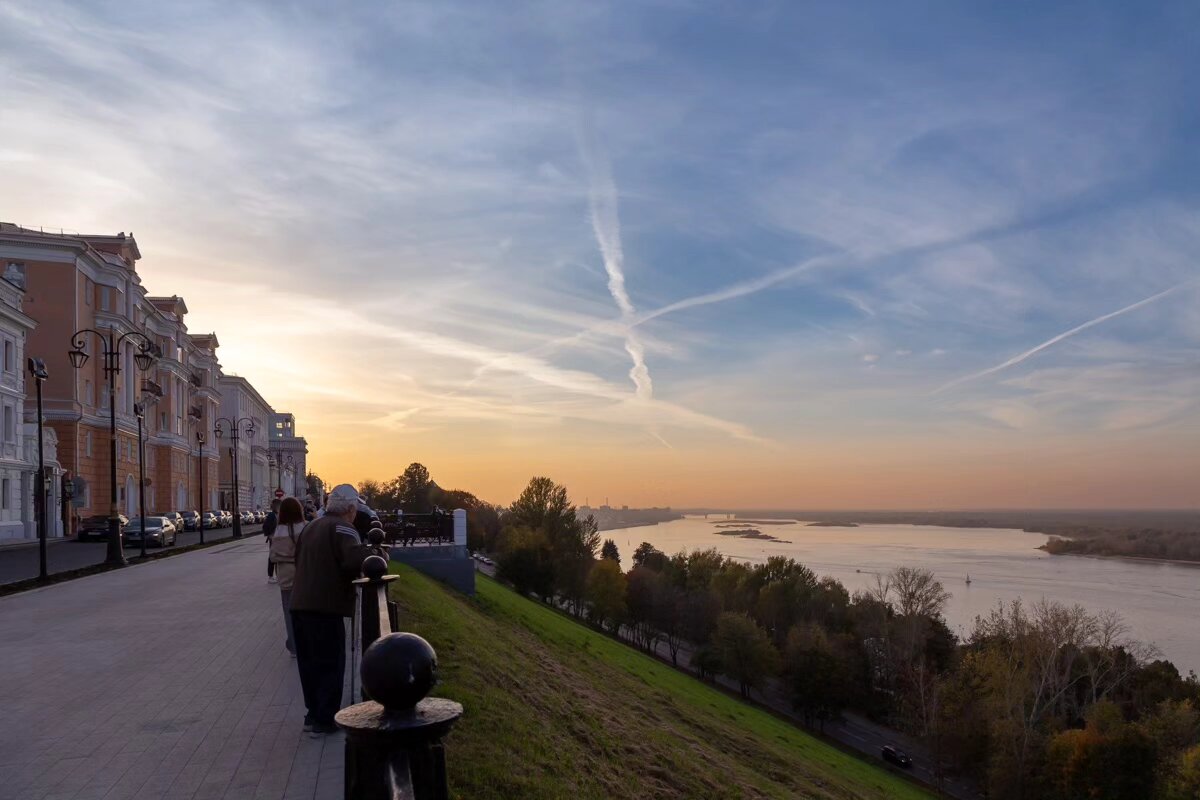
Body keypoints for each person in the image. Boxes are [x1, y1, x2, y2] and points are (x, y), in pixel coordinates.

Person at [290, 484, 371, 735]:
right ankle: (325, 720)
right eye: (355, 508)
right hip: (325, 606)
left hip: (299, 603)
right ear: (349, 509)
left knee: (309, 663)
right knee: (330, 662)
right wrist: (374, 555)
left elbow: (298, 558)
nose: (355, 512)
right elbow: (353, 562)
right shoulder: (344, 528)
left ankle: (312, 714)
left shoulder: (311, 526)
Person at [269, 496, 304, 656]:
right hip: (303, 574)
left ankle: (294, 646)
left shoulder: (278, 531)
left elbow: (273, 557)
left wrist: (285, 558)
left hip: (285, 577)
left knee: (289, 611)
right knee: (305, 611)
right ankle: (305, 641)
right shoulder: (305, 528)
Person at [264, 498, 281, 583]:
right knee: (272, 557)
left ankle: (278, 576)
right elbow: (266, 526)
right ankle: (270, 576)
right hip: (273, 538)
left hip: (279, 538)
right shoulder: (271, 515)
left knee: (278, 556)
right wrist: (270, 535)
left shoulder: (278, 514)